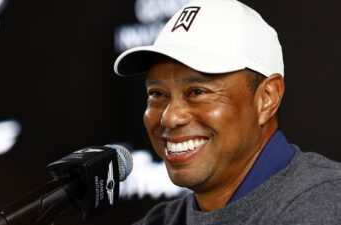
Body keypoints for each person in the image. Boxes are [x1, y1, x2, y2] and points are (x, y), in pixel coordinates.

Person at [114, 0, 341, 224]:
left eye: (197, 92)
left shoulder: (323, 204)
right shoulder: (162, 219)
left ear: (267, 98)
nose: (170, 117)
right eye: (157, 94)